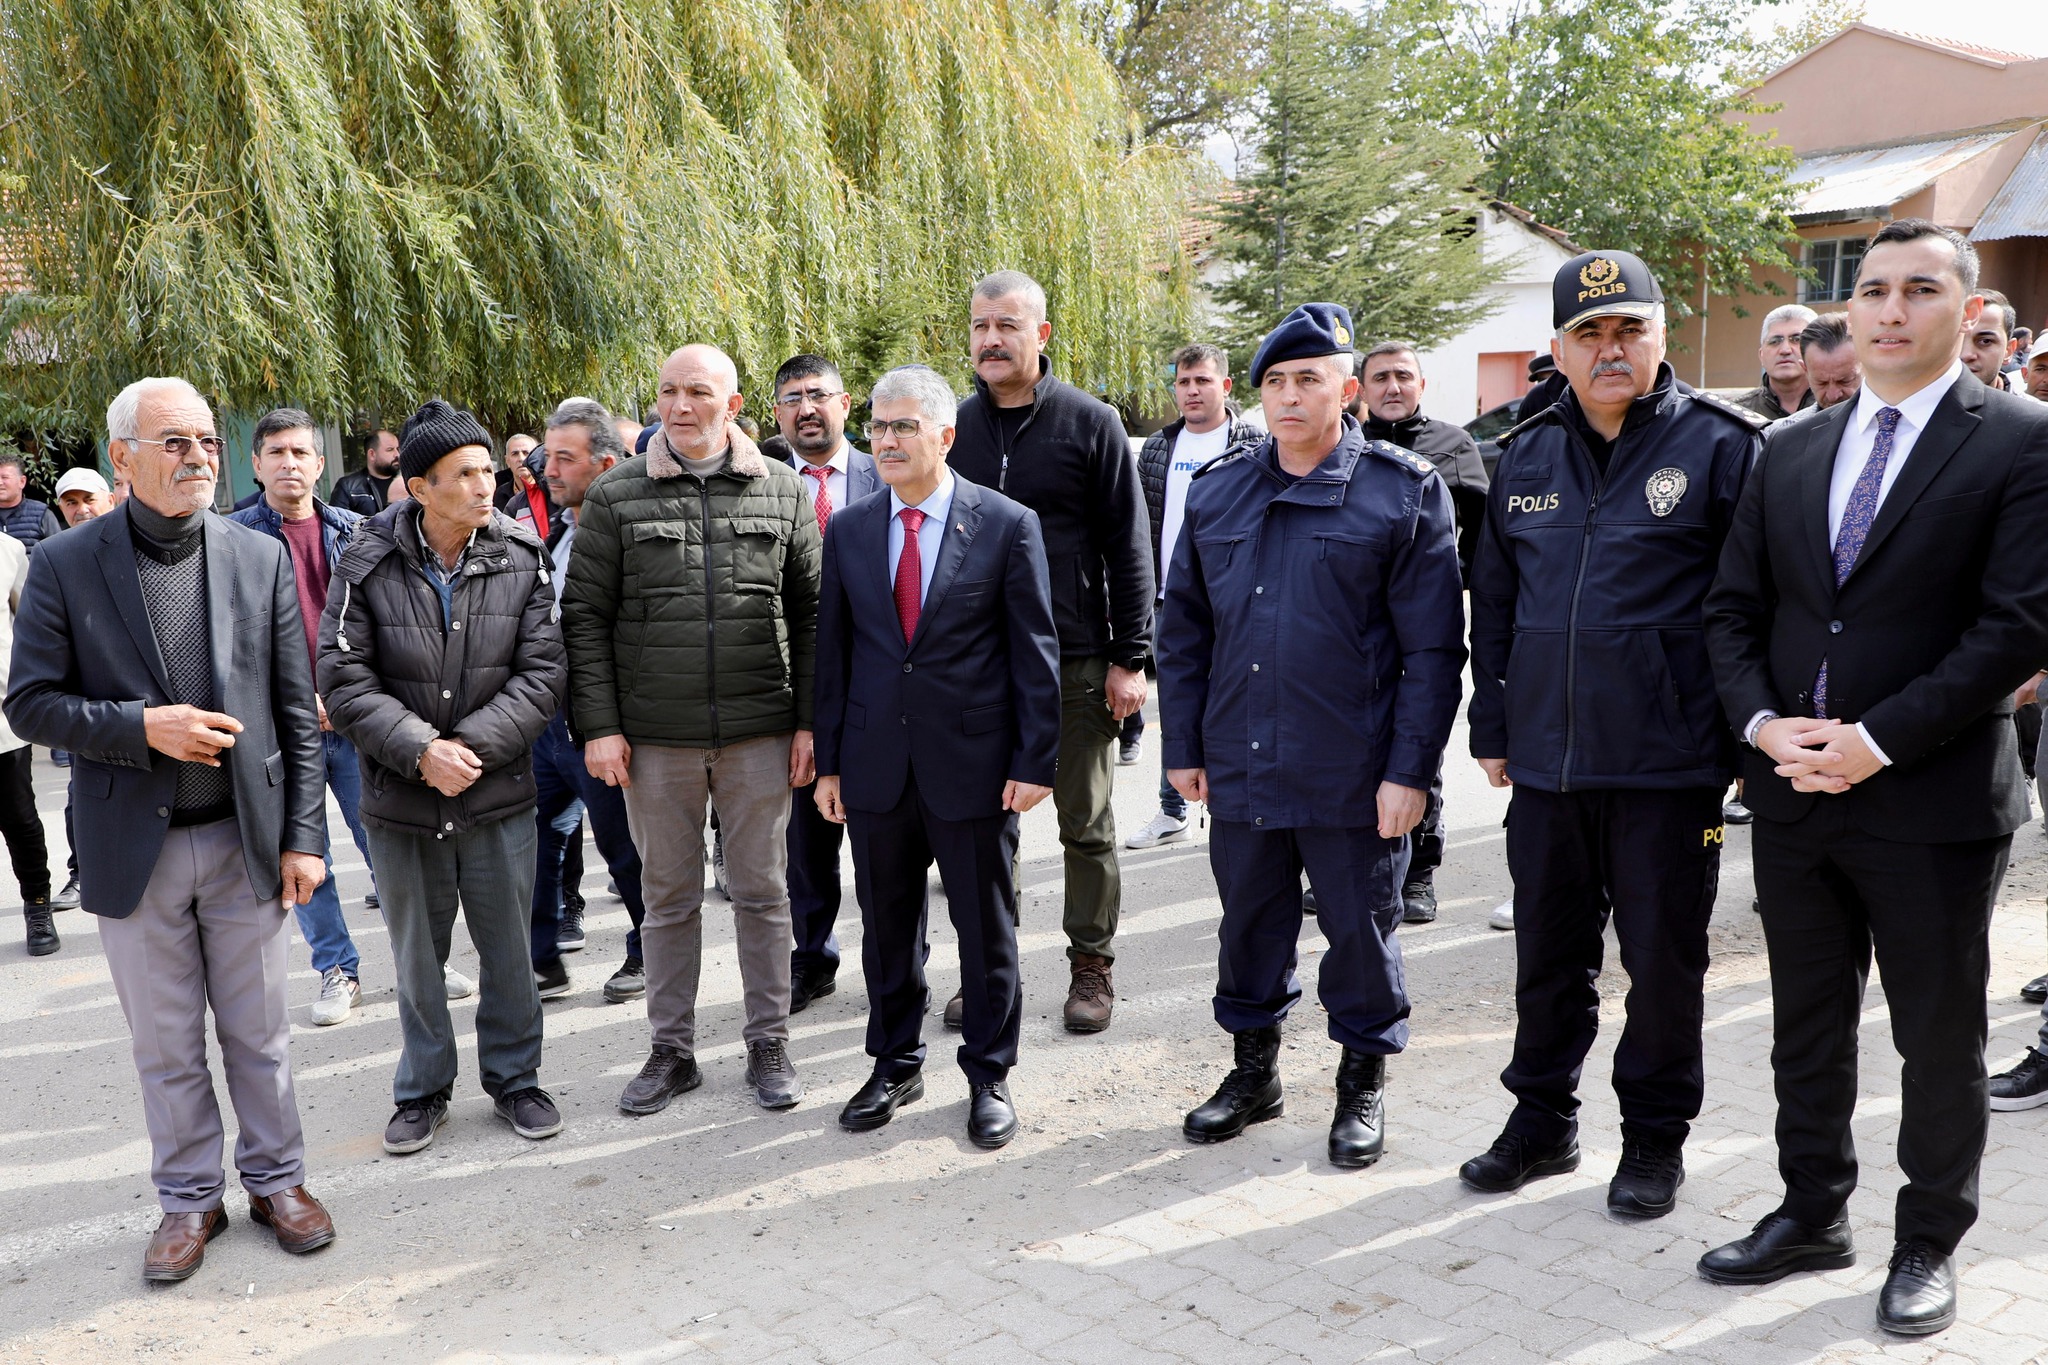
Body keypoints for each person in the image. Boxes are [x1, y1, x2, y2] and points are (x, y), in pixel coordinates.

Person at [1700, 219, 2048, 1336]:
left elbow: (2015, 625)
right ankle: (1811, 1211)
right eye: (1873, 291)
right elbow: (1731, 612)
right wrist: (1762, 727)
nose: (1888, 309)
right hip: (1794, 793)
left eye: (1917, 290)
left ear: (1963, 306)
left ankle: (1927, 1240)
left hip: (1929, 798)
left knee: (1933, 1034)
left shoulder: (2018, 440)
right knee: (1804, 1022)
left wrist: (1876, 739)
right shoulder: (1791, 448)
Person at [6, 375, 336, 1282]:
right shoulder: (68, 564)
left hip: (242, 837)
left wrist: (304, 836)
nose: (198, 456)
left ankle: (279, 1181)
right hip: (131, 848)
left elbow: (294, 715)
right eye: (175, 443)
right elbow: (30, 702)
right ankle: (191, 1199)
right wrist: (139, 727)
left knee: (260, 1031)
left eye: (204, 441)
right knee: (165, 1043)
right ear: (124, 457)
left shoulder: (253, 556)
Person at [1462, 250, 1762, 1217]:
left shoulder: (1724, 449)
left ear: (1660, 333)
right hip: (1548, 764)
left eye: (1628, 328)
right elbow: (1496, 609)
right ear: (1558, 348)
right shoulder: (1526, 455)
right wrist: (1495, 722)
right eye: (1588, 333)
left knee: (1665, 965)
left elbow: (1754, 611)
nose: (1610, 349)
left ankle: (1654, 1138)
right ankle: (1541, 1121)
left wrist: (1740, 750)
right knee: (1549, 955)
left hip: (1668, 767)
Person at [1159, 303, 1465, 1169]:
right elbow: (1182, 627)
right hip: (1243, 762)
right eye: (1275, 382)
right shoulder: (1220, 488)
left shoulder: (1401, 491)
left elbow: (1433, 651)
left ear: (1349, 387)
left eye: (1309, 379)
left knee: (1361, 933)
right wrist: (1183, 745)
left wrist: (1411, 773)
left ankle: (1361, 1081)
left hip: (1353, 771)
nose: (1290, 397)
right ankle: (1254, 1074)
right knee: (1249, 926)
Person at [564, 344, 820, 1116]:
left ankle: (767, 1039)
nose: (680, 405)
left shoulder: (783, 491)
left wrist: (809, 722)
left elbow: (810, 616)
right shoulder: (616, 495)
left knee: (764, 892)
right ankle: (671, 1049)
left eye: (698, 392)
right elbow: (584, 618)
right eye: (669, 391)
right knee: (667, 897)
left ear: (733, 405)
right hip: (656, 738)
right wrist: (601, 726)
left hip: (759, 731)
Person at [813, 365, 1060, 1147]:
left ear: (944, 435)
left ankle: (989, 1072)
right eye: (876, 427)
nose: (884, 440)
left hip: (976, 764)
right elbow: (835, 654)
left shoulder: (1006, 523)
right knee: (886, 927)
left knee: (985, 926)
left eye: (903, 427)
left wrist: (1035, 760)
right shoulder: (851, 528)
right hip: (877, 761)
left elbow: (1036, 655)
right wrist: (829, 763)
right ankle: (894, 1060)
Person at [320, 400, 568, 1155]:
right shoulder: (364, 561)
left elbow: (544, 671)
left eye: (487, 469)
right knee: (417, 956)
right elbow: (341, 673)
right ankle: (423, 1088)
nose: (485, 484)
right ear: (419, 487)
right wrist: (423, 749)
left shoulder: (520, 555)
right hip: (401, 795)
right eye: (463, 474)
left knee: (507, 947)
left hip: (495, 792)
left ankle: (516, 1077)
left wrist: (470, 748)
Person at [947, 270, 1153, 1034]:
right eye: (979, 326)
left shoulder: (1089, 423)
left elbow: (1130, 547)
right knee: (979, 827)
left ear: (1042, 335)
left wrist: (1129, 658)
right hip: (976, 664)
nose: (991, 339)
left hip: (1075, 661)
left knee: (1084, 823)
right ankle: (987, 969)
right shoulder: (954, 428)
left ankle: (1090, 965)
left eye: (1007, 325)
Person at [228, 410, 378, 1026]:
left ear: (320, 464)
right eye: (276, 453)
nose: (289, 463)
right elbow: (232, 643)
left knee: (386, 845)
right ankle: (336, 969)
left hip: (354, 718)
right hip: (283, 730)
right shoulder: (233, 539)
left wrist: (351, 696)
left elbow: (383, 624)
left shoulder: (359, 530)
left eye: (301, 452)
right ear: (257, 465)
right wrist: (292, 702)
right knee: (303, 855)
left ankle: (423, 953)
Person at [1358, 340, 1494, 927]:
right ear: (1360, 389)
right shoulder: (1344, 444)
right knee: (1353, 747)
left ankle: (1419, 874)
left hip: (1422, 622)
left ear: (1421, 385)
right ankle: (1358, 864)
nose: (1392, 387)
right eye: (1380, 377)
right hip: (1354, 626)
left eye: (1403, 377)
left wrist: (1454, 579)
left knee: (1418, 744)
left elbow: (1485, 530)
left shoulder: (1451, 444)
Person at [527, 398, 651, 1006]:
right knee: (535, 841)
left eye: (563, 459)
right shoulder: (559, 532)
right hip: (545, 723)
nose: (548, 470)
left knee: (622, 847)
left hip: (602, 722)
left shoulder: (634, 536)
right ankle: (542, 959)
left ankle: (648, 947)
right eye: (547, 457)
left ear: (604, 465)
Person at [770, 353, 880, 1014]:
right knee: (805, 843)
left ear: (846, 403)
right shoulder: (753, 479)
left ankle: (899, 961)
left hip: (874, 687)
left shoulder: (887, 470)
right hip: (789, 691)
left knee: (883, 837)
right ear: (776, 412)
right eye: (791, 398)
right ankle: (812, 955)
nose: (806, 407)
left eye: (818, 394)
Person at [1129, 343, 1260, 854]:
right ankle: (1171, 807)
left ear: (1224, 387)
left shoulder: (1253, 442)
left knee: (1241, 702)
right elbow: (1140, 528)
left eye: (1202, 381)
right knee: (1178, 704)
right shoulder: (1161, 449)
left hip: (1236, 601)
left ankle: (1245, 799)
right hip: (1170, 601)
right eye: (1183, 383)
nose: (1191, 391)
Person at [0, 533, 54, 953]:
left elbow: (35, 626)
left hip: (1, 717)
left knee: (19, 818)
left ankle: (37, 906)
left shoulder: (9, 551)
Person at [1736, 304, 1818, 421]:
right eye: (1775, 341)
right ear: (1761, 355)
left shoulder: (1834, 405)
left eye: (1796, 340)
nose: (1785, 350)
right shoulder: (1738, 414)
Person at [0, 451, 65, 552]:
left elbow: (60, 551)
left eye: (5, 477)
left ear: (22, 481)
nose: (0, 482)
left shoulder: (41, 514)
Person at [1963, 289, 2024, 393]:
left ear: (2008, 350)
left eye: (1985, 341)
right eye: (1956, 340)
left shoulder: (2031, 409)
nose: (1966, 355)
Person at [1799, 312, 1862, 411]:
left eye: (1844, 381)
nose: (1833, 396)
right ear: (1805, 370)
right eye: (1821, 383)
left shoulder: (1892, 423)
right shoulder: (1790, 426)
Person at [331, 428, 401, 516]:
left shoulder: (406, 482)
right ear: (372, 454)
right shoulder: (348, 487)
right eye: (390, 450)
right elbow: (337, 523)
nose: (397, 454)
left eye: (397, 449)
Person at [494, 432, 539, 513]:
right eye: (515, 454)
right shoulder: (500, 494)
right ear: (507, 461)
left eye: (526, 453)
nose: (521, 459)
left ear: (536, 457)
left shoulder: (547, 490)